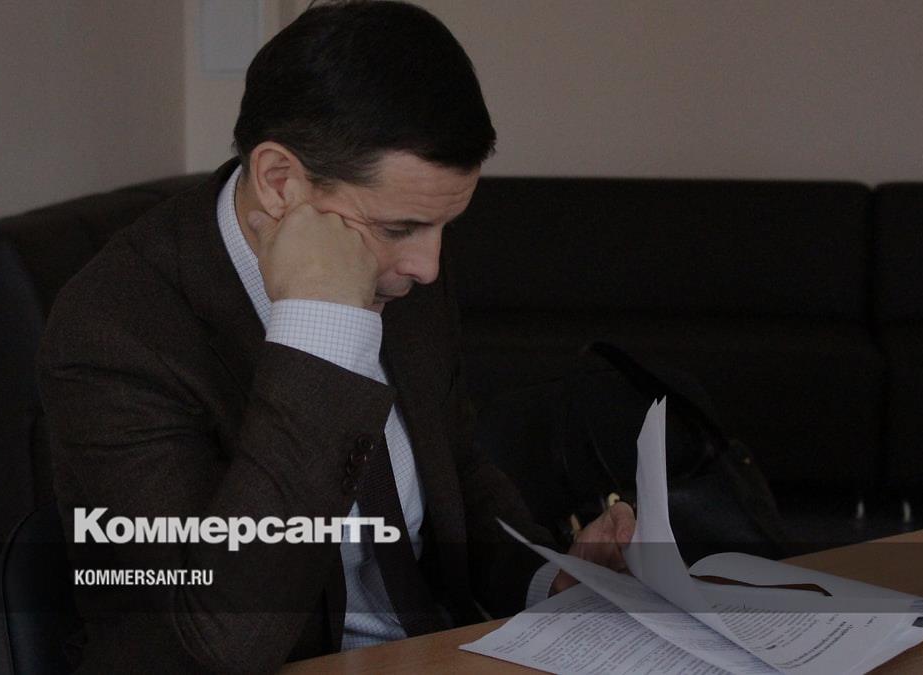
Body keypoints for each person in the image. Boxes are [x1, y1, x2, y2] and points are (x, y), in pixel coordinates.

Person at [37, 1, 635, 672]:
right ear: (280, 182)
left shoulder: (402, 262)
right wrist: (319, 333)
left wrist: (549, 578)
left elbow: (455, 471)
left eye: (443, 226)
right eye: (399, 229)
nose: (428, 266)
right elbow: (223, 642)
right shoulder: (116, 333)